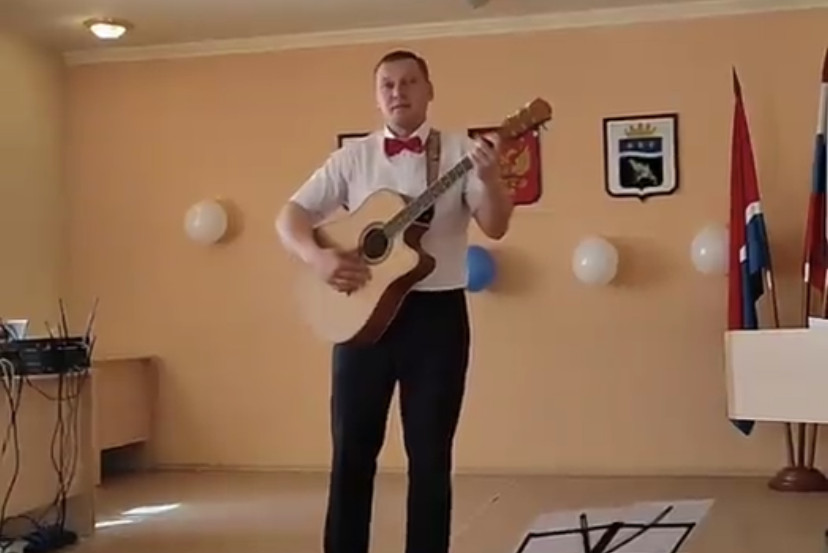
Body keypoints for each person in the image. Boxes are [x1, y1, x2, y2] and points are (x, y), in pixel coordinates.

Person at [275, 49, 514, 553]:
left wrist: (492, 181)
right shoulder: (353, 158)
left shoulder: (462, 151)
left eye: (409, 82)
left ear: (429, 90)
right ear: (376, 95)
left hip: (436, 316)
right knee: (351, 452)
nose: (398, 92)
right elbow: (290, 216)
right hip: (361, 320)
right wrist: (317, 258)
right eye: (387, 84)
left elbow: (495, 225)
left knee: (431, 457)